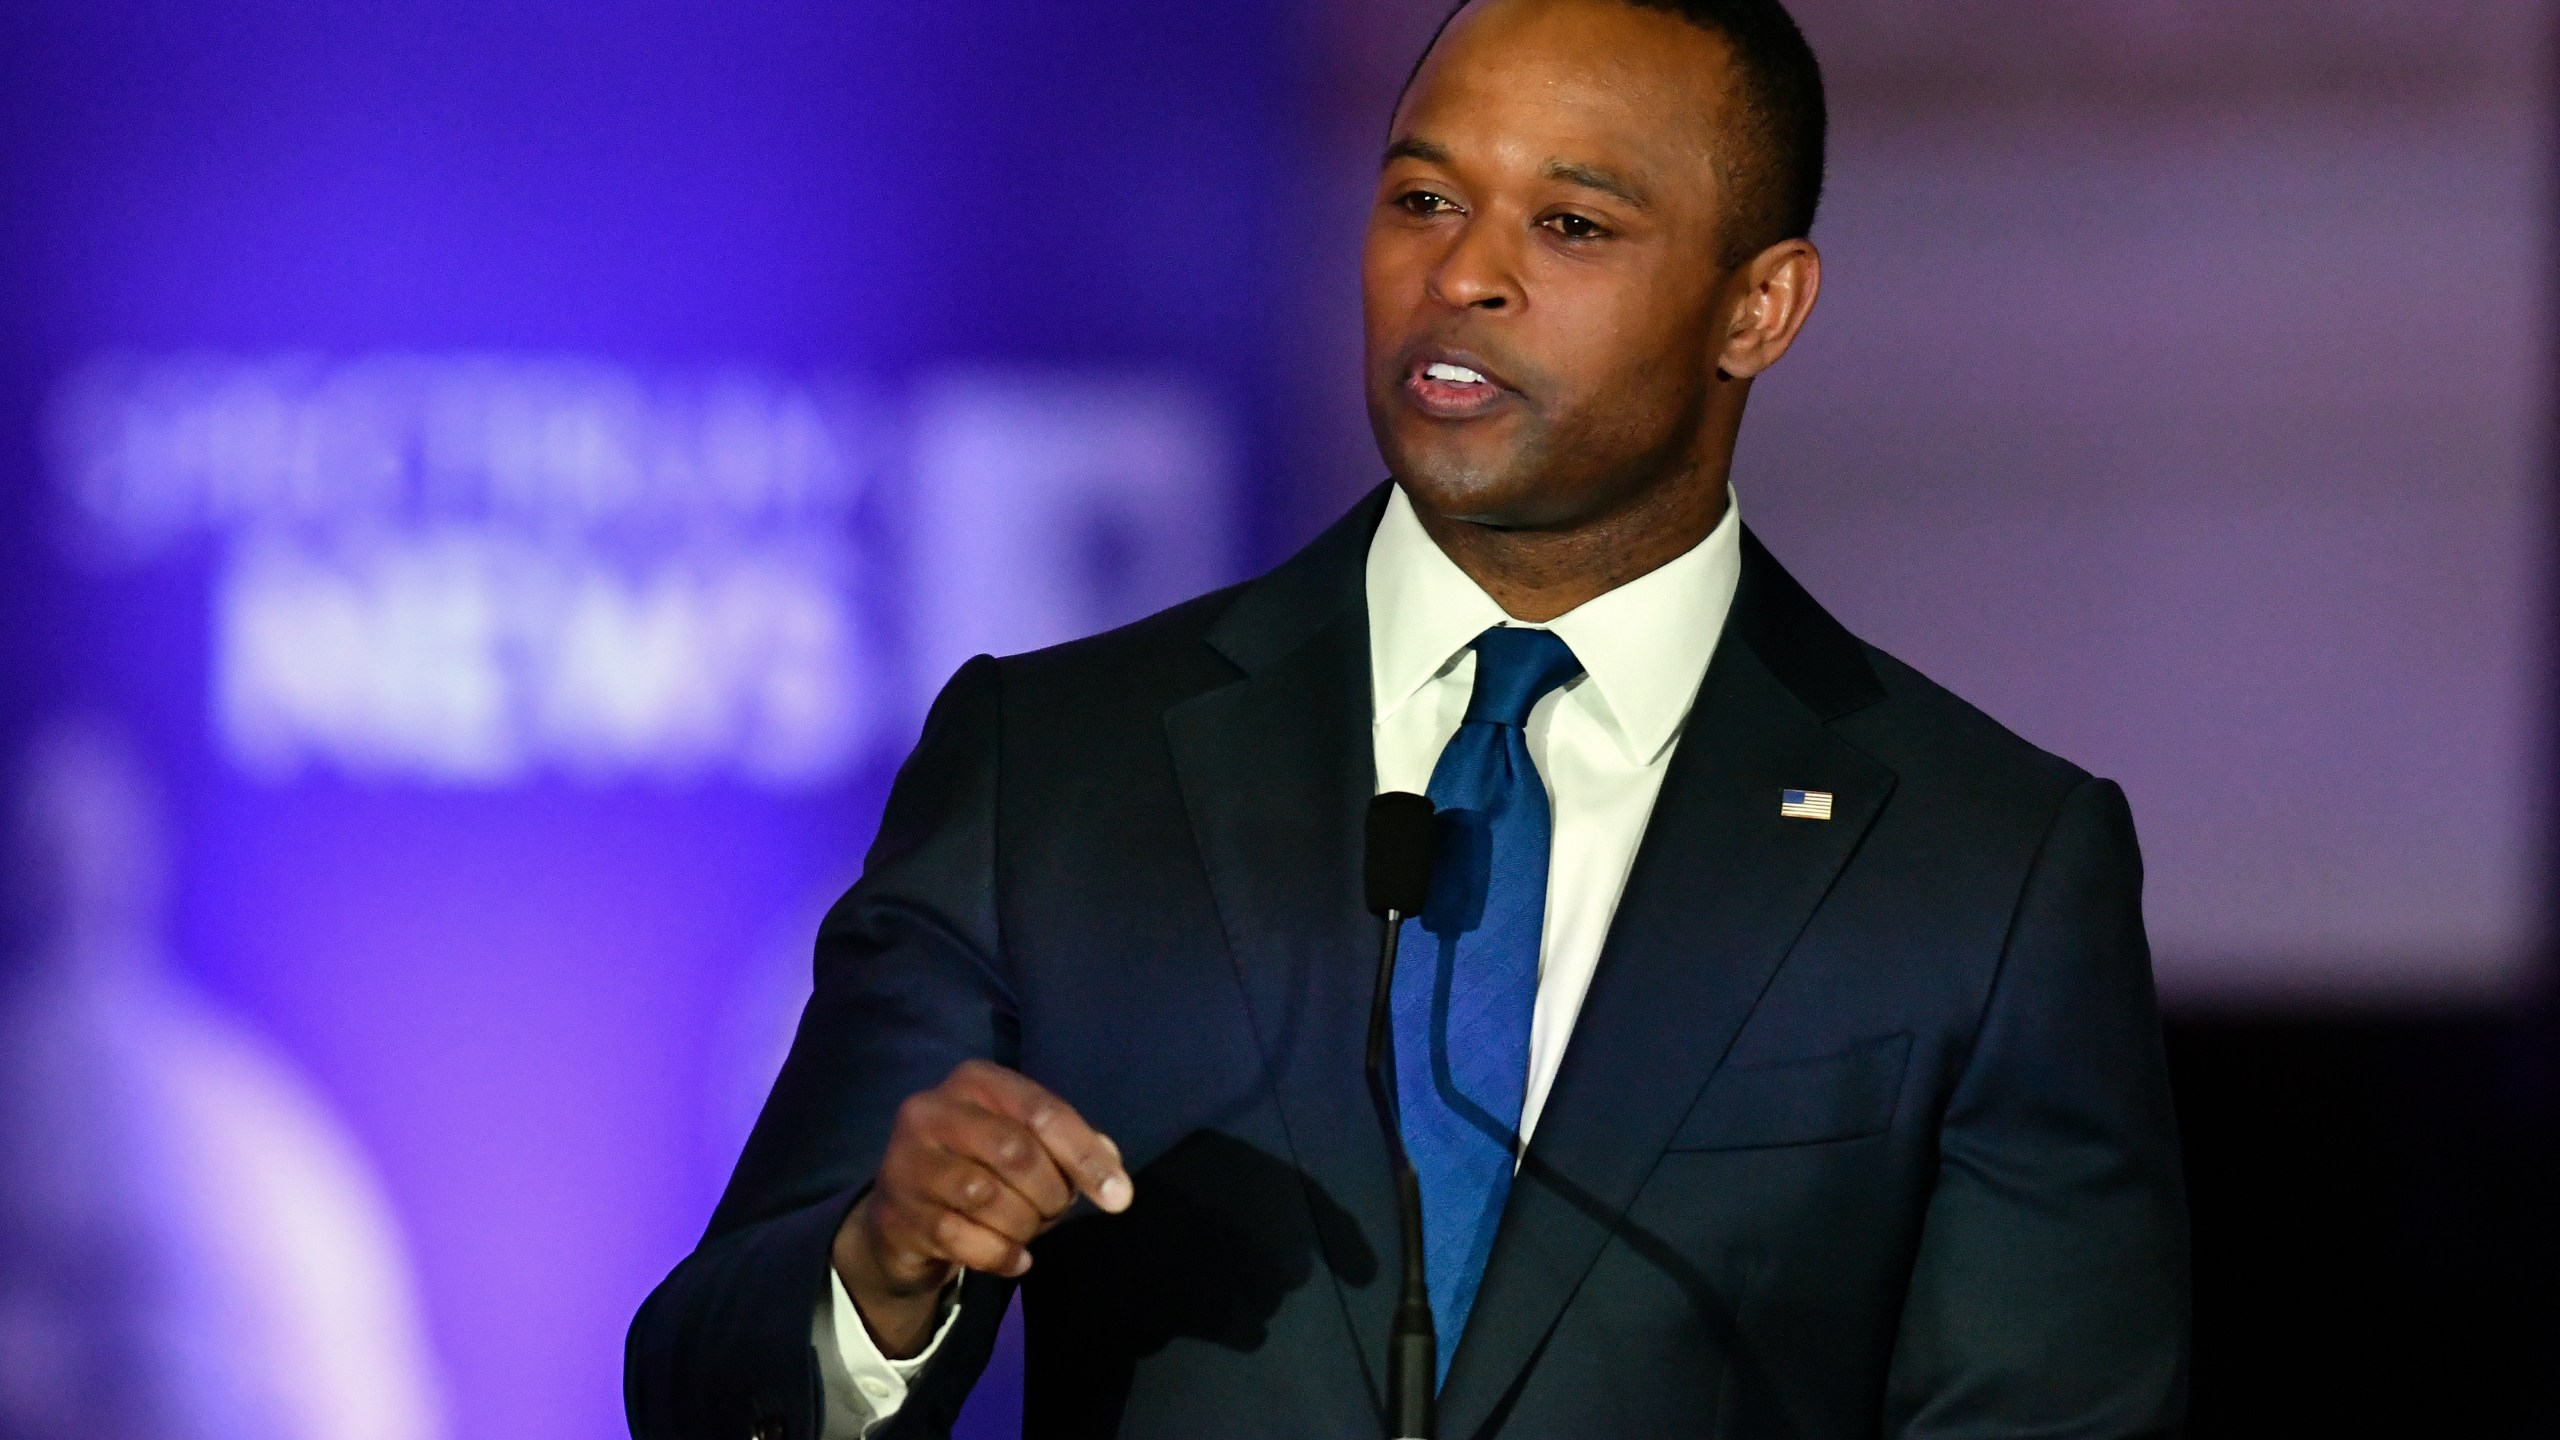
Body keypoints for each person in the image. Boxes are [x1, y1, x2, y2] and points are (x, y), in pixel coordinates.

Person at [625, 0, 2191, 1435]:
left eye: (1570, 224)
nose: (1461, 277)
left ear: (1758, 311)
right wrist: (880, 1273)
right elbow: (708, 1390)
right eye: (1423, 200)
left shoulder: (1984, 867)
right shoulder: (1059, 767)